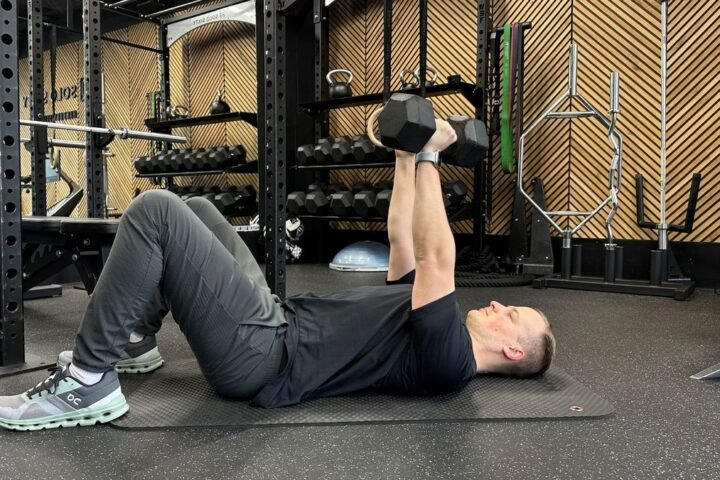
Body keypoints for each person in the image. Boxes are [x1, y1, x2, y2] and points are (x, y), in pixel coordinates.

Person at [0, 119, 555, 431]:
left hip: (263, 356)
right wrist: (406, 154)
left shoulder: (451, 358)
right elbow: (403, 239)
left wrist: (434, 154)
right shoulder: (424, 315)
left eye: (513, 317)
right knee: (198, 212)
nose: (501, 307)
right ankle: (135, 338)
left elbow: (440, 257)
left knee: (155, 211)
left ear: (511, 352)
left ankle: (89, 381)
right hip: (273, 323)